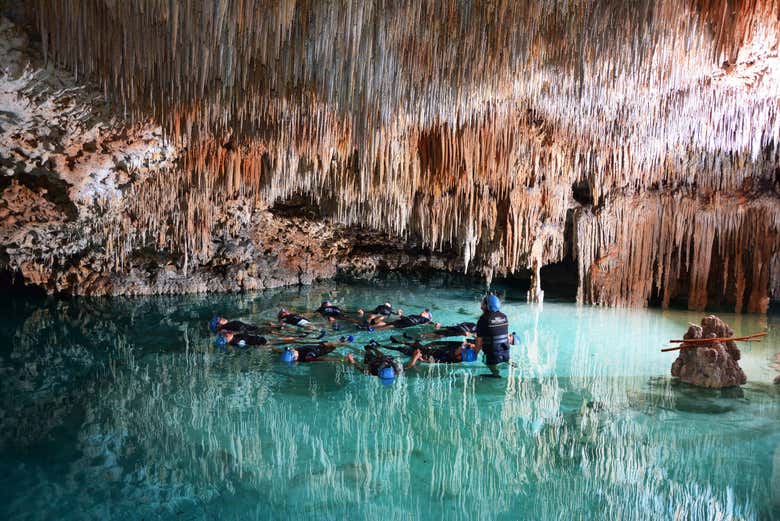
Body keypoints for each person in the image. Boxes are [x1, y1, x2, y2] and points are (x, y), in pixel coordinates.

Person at [474, 294, 511, 377]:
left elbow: (479, 341)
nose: (481, 304)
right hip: (506, 353)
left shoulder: (483, 319)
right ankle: (508, 362)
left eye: (483, 302)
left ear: (487, 305)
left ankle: (495, 374)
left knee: (490, 366)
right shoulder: (504, 317)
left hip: (492, 356)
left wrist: (475, 354)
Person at [384, 337, 477, 366]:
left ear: (460, 356)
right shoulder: (457, 351)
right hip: (428, 350)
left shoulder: (448, 359)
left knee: (402, 349)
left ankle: (382, 346)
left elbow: (431, 361)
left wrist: (419, 358)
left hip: (422, 354)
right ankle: (398, 341)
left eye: (462, 349)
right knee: (413, 344)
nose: (461, 347)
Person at [279, 336, 354, 363]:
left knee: (330, 344)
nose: (291, 349)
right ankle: (345, 342)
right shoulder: (307, 357)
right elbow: (321, 359)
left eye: (290, 349)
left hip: (318, 347)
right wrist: (339, 359)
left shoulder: (296, 351)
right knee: (332, 345)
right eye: (291, 351)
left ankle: (341, 341)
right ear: (294, 357)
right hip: (321, 350)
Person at [409, 321, 476, 340]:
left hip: (451, 334)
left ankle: (418, 339)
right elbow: (462, 324)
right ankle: (414, 337)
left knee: (436, 337)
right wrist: (465, 331)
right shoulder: (473, 325)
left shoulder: (478, 332)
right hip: (451, 329)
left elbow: (474, 336)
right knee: (435, 333)